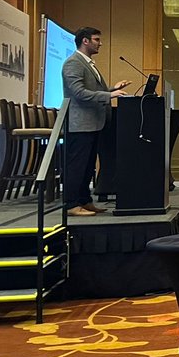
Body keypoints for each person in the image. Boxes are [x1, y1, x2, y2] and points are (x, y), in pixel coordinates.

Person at [62, 27, 130, 217]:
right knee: (77, 165)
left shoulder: (88, 63)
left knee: (88, 165)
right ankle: (71, 205)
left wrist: (112, 88)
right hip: (80, 124)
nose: (100, 43)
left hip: (93, 123)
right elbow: (79, 93)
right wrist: (109, 94)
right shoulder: (73, 63)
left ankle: (84, 201)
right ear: (85, 41)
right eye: (96, 39)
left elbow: (91, 91)